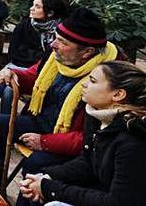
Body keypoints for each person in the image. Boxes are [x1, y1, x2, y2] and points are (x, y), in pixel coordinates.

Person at [0, 8, 121, 200]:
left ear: (87, 52)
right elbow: (34, 77)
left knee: (36, 163)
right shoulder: (56, 58)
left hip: (73, 143)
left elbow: (91, 137)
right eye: (56, 38)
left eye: (63, 42)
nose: (53, 44)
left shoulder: (107, 79)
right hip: (42, 122)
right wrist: (14, 74)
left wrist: (45, 142)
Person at [19, 61, 146, 206]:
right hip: (102, 191)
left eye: (92, 81)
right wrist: (46, 178)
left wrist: (50, 188)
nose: (84, 84)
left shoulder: (132, 139)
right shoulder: (97, 115)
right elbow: (88, 163)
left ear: (118, 94)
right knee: (35, 183)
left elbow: (118, 201)